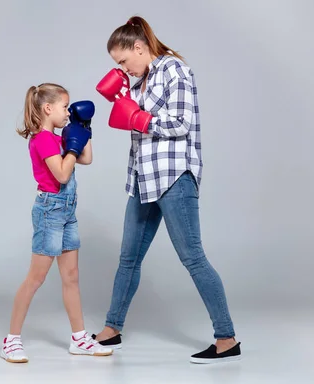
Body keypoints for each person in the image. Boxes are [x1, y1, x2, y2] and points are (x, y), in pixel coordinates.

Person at [92, 16, 241, 364]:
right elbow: (131, 123)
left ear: (140, 48)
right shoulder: (139, 82)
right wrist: (126, 101)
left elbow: (181, 123)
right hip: (144, 178)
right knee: (128, 258)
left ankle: (227, 338)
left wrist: (140, 118)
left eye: (123, 61)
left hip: (174, 177)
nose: (122, 69)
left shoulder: (175, 71)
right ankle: (112, 329)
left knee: (193, 258)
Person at [0, 83, 113, 363]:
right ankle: (11, 340)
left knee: (71, 277)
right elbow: (63, 175)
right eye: (65, 107)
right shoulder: (43, 139)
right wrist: (71, 145)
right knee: (36, 278)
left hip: (67, 212)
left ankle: (79, 339)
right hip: (50, 212)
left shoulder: (59, 137)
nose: (67, 112)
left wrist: (83, 129)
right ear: (48, 108)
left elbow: (86, 158)